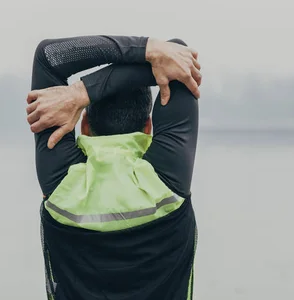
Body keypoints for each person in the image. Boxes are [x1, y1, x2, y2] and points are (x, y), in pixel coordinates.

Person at [26, 35, 201, 300]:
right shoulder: (167, 184)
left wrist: (81, 93)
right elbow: (178, 57)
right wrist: (85, 92)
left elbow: (50, 56)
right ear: (149, 127)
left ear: (84, 124)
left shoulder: (62, 184)